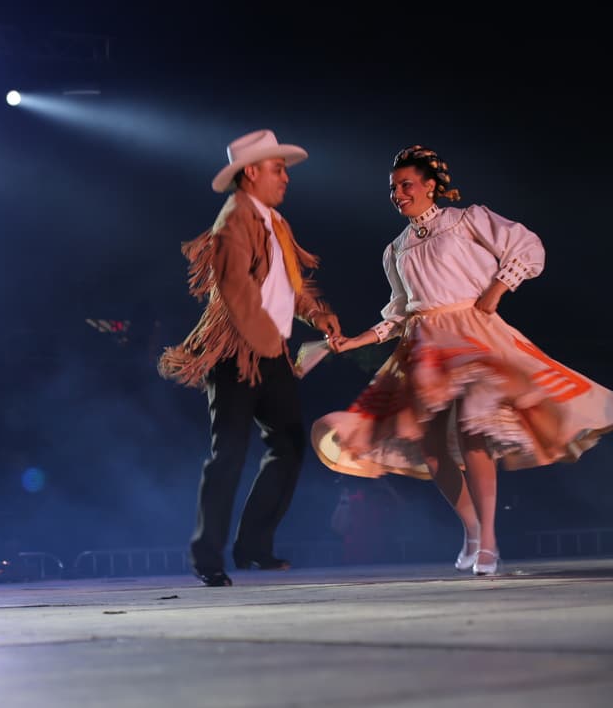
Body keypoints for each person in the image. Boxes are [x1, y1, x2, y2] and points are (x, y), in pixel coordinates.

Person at [314, 145, 613, 576]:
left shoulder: (466, 220)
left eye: (406, 185)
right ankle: (472, 531)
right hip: (423, 343)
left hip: (471, 332)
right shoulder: (395, 249)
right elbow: (401, 310)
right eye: (393, 189)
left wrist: (497, 289)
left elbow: (527, 247)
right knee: (432, 445)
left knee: (474, 427)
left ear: (430, 185)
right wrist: (356, 341)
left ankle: (489, 540)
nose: (398, 194)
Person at [159, 129, 342, 587]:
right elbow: (238, 293)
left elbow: (289, 287)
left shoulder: (274, 221)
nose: (285, 178)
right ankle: (208, 556)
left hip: (270, 352)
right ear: (253, 172)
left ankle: (253, 546)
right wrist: (271, 355)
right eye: (278, 169)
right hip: (238, 353)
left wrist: (318, 315)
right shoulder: (233, 222)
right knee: (230, 453)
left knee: (289, 445)